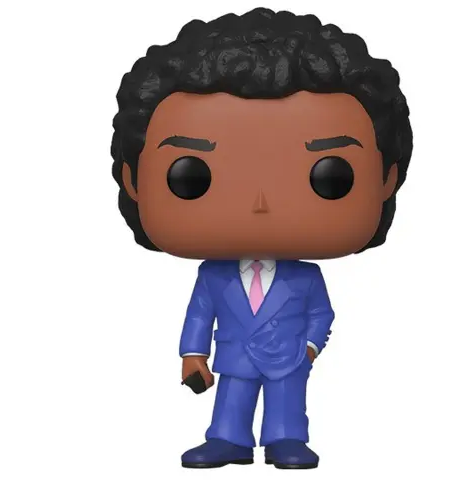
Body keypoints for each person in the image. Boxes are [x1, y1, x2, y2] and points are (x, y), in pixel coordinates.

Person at [110, 7, 412, 469]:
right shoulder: (213, 276)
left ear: (386, 179)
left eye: (330, 177)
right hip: (234, 357)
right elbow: (199, 314)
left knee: (287, 404)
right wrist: (193, 354)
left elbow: (322, 312)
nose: (260, 204)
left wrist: (309, 347)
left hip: (288, 357)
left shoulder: (305, 277)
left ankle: (286, 439)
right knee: (231, 401)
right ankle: (227, 439)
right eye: (191, 176)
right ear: (134, 181)